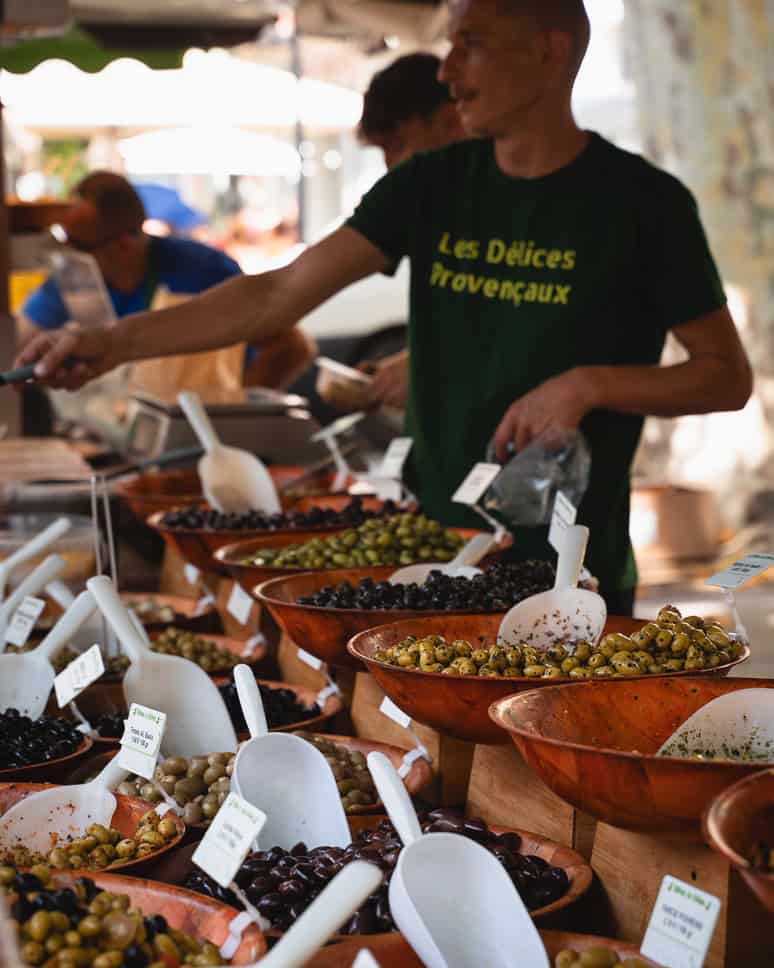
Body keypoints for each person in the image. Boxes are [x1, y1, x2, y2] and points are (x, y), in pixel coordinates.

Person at [17, 0, 753, 615]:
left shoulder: (643, 204)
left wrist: (589, 385)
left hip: (573, 571)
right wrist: (114, 342)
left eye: (470, 44)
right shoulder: (430, 185)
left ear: (549, 52)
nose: (447, 71)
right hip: (434, 552)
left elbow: (726, 377)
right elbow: (277, 292)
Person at [17, 171, 315, 390]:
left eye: (80, 247)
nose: (68, 257)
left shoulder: (202, 270)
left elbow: (291, 346)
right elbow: (21, 341)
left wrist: (234, 410)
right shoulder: (74, 278)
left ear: (123, 245)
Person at [357, 51, 468, 409]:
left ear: (453, 121)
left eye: (398, 145)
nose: (390, 166)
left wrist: (429, 366)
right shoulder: (423, 201)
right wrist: (410, 362)